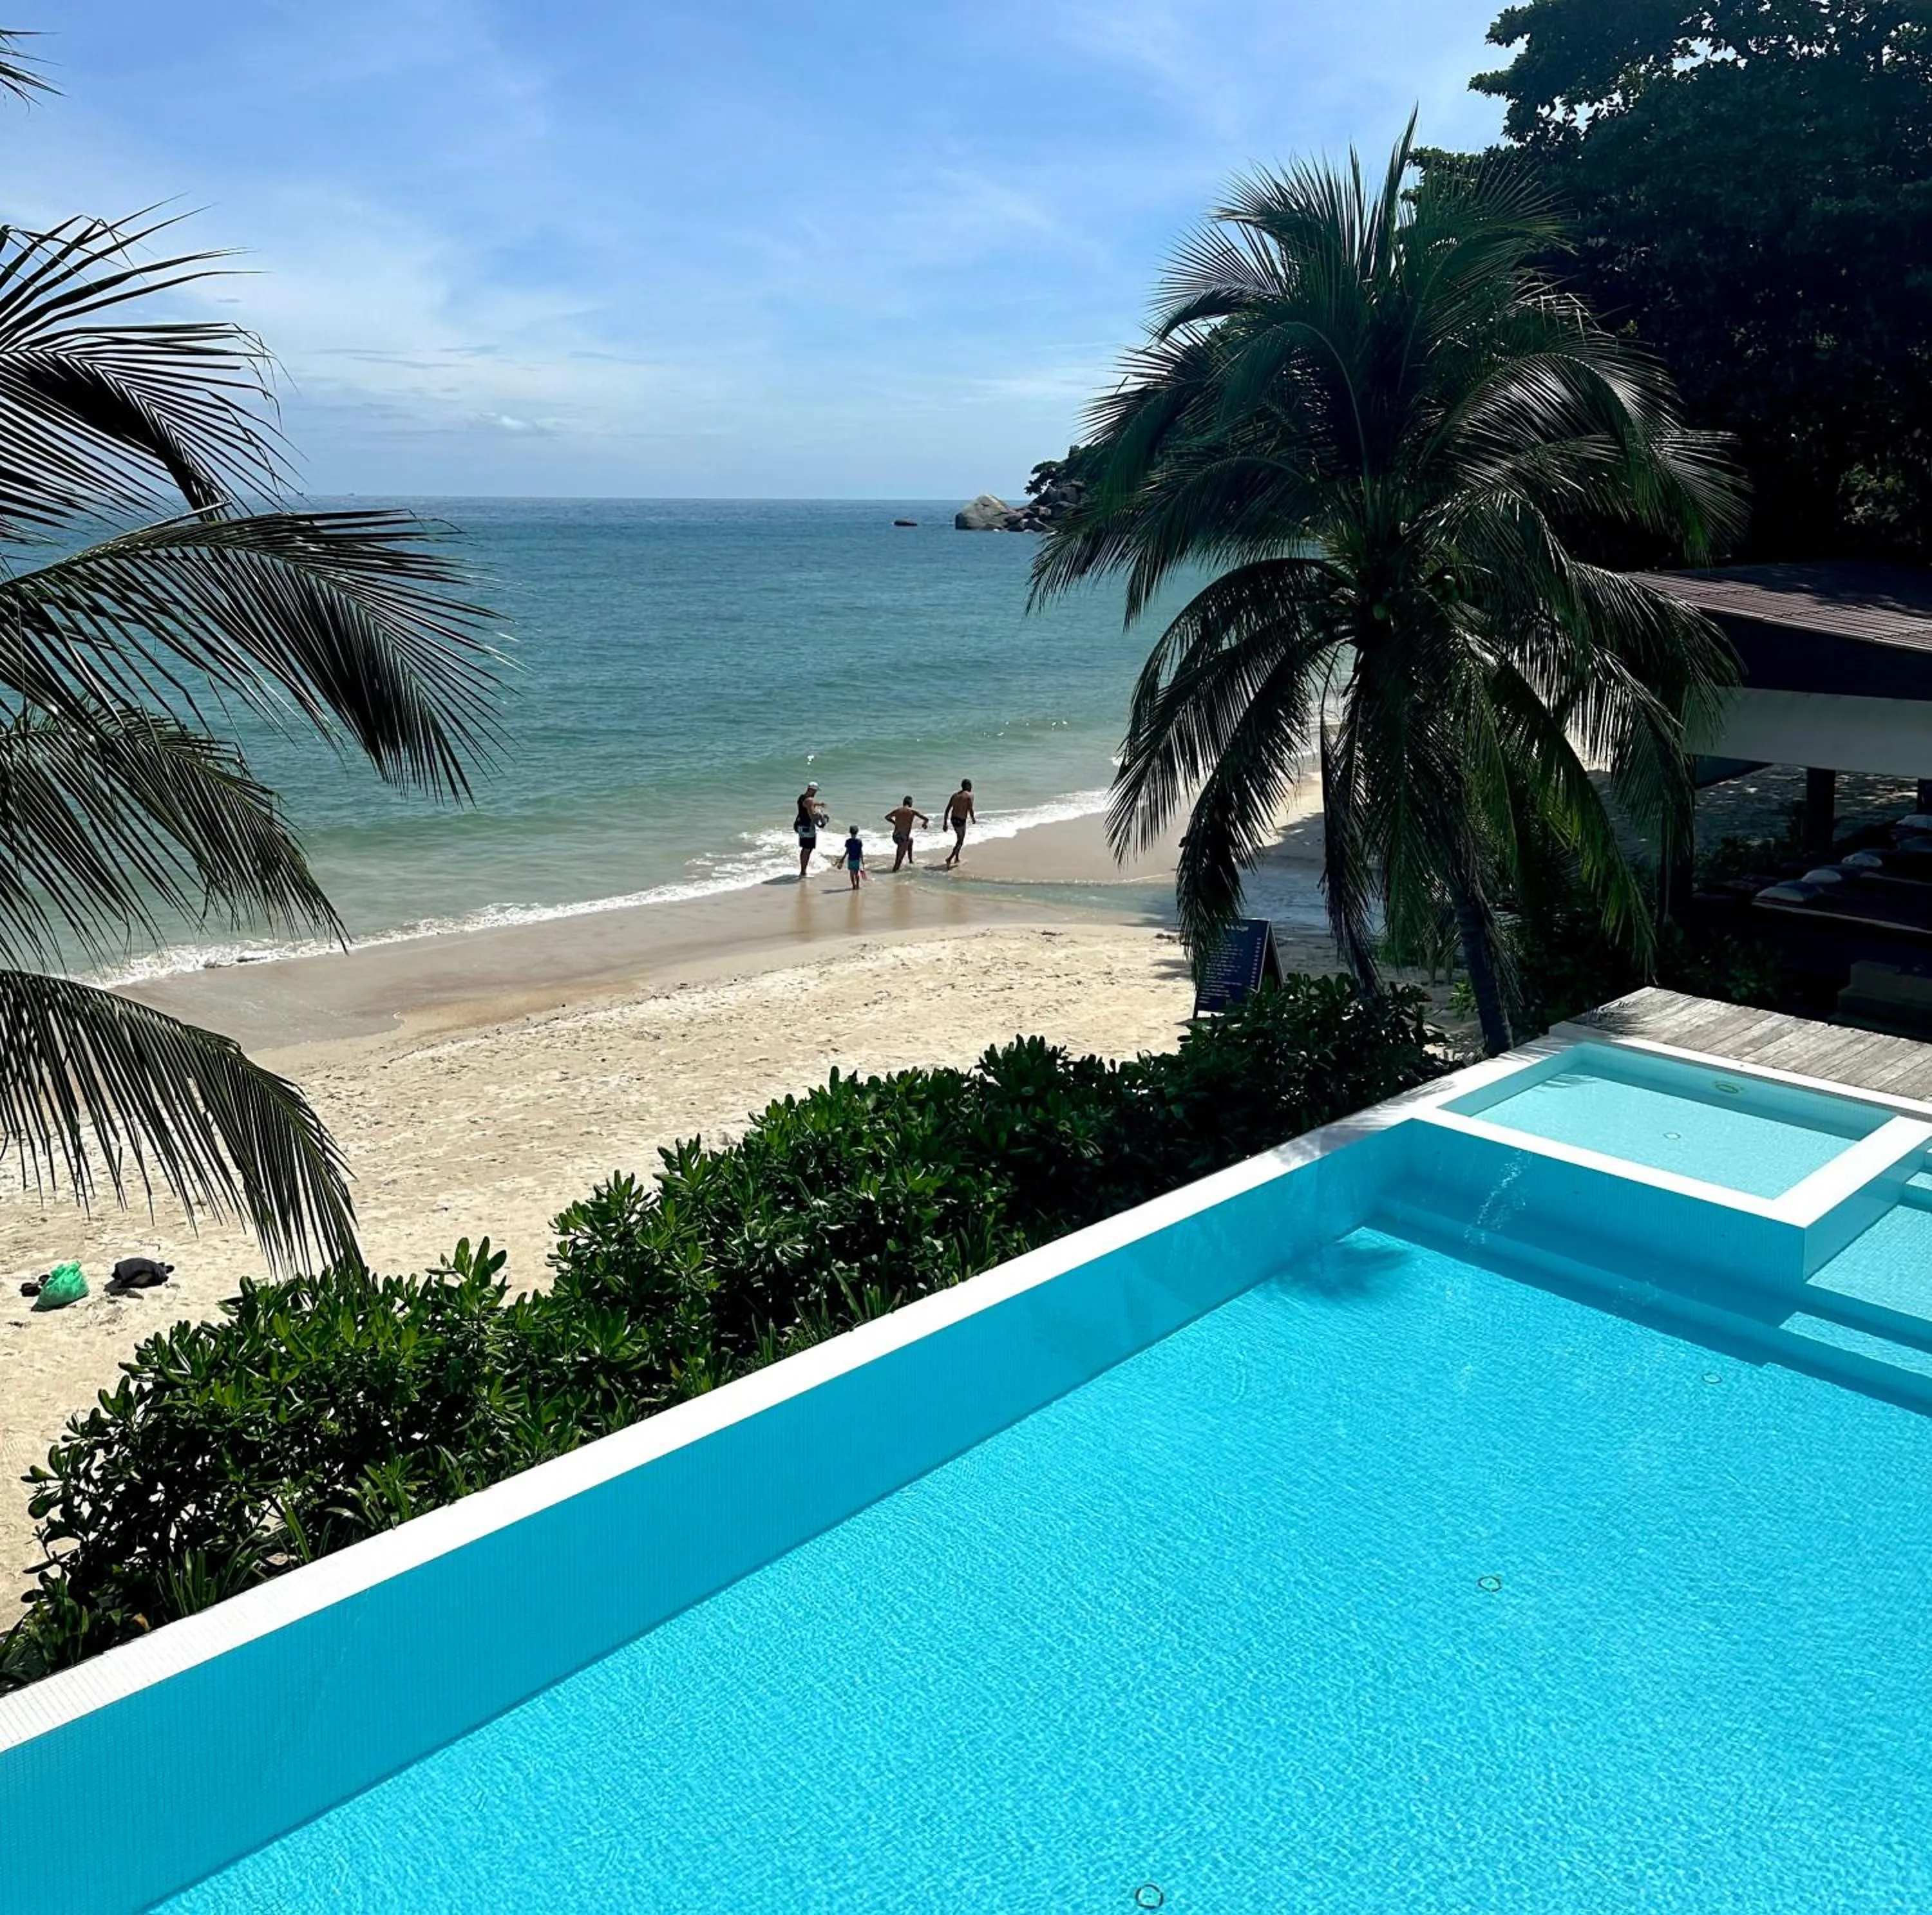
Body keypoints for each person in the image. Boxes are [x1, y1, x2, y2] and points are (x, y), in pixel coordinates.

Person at [884, 795, 929, 872]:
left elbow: (887, 817)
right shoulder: (912, 812)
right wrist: (924, 825)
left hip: (896, 836)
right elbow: (926, 819)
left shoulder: (897, 811)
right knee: (898, 861)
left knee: (910, 841)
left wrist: (895, 823)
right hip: (903, 838)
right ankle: (894, 877)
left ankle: (911, 861)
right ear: (911, 803)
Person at [795, 780, 827, 878]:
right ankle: (803, 872)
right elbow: (813, 817)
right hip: (807, 827)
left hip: (800, 824)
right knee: (807, 849)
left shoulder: (802, 797)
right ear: (812, 791)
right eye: (815, 791)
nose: (816, 793)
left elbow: (808, 804)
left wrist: (818, 804)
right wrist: (821, 815)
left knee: (805, 848)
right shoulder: (810, 800)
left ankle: (803, 870)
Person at [942, 778, 975, 869]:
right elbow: (970, 809)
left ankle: (956, 858)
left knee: (959, 839)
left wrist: (945, 823)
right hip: (961, 821)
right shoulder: (970, 796)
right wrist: (973, 819)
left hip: (954, 819)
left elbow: (947, 809)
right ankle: (950, 858)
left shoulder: (955, 795)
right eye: (971, 785)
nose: (972, 787)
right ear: (968, 786)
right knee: (960, 841)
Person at [843, 823, 866, 890]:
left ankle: (854, 885)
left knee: (852, 873)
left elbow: (847, 851)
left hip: (851, 860)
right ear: (857, 832)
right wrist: (862, 860)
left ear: (850, 832)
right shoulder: (859, 842)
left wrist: (843, 858)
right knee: (857, 873)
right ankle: (858, 886)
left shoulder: (848, 841)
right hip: (857, 860)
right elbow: (861, 851)